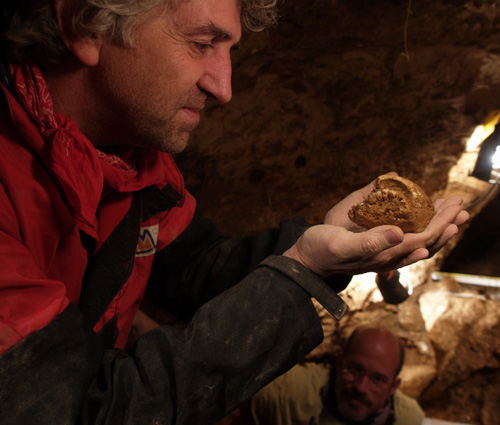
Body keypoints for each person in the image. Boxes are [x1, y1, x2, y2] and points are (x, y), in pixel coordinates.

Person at [0, 0, 467, 424]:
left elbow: (200, 267)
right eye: (202, 44)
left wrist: (328, 245)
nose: (223, 87)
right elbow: (85, 410)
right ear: (84, 25)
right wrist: (298, 272)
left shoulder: (136, 167)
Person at [248, 326, 425, 425]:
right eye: (354, 369)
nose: (361, 387)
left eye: (377, 380)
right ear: (339, 364)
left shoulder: (408, 419)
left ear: (393, 387)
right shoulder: (288, 392)